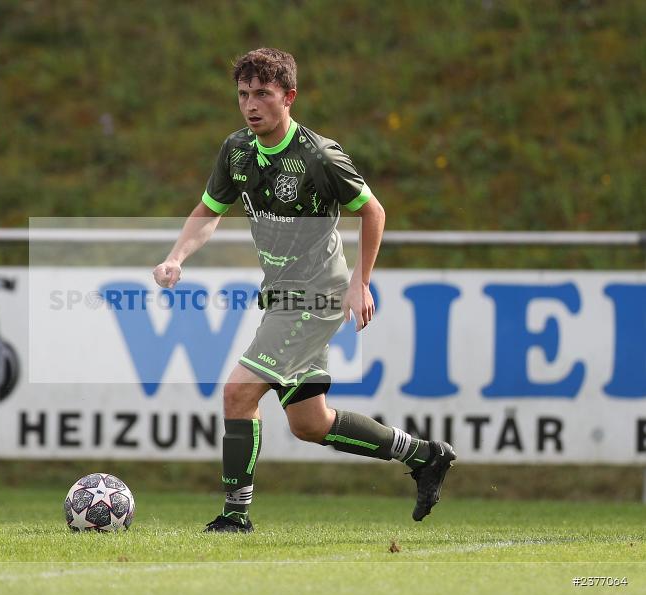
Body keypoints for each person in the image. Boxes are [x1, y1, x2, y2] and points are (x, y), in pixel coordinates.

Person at [153, 48, 456, 532]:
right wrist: (175, 257)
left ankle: (235, 516)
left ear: (289, 97)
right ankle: (424, 456)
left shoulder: (317, 156)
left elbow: (373, 211)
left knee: (237, 393)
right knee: (310, 424)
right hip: (280, 293)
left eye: (263, 95)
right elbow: (208, 211)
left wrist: (361, 282)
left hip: (315, 296)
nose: (251, 105)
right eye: (243, 94)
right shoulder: (236, 151)